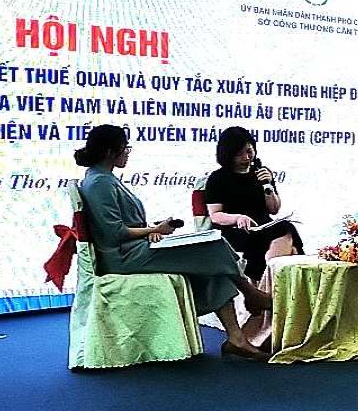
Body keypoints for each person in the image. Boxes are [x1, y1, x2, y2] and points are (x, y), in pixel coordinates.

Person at [75, 125, 271, 361]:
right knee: (213, 246)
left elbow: (121, 225)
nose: (127, 152)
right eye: (125, 148)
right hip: (124, 257)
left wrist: (152, 230)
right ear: (110, 152)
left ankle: (237, 339)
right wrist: (154, 230)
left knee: (213, 261)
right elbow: (114, 234)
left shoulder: (103, 178)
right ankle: (250, 293)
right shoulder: (99, 183)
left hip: (135, 247)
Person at [203, 126, 304, 282]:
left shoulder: (260, 172)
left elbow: (274, 209)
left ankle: (268, 278)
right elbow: (215, 215)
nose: (246, 158)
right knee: (289, 246)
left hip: (263, 225)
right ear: (228, 154)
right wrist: (238, 218)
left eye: (249, 151)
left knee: (285, 227)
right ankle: (270, 279)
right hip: (236, 229)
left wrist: (268, 185)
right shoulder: (218, 178)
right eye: (239, 154)